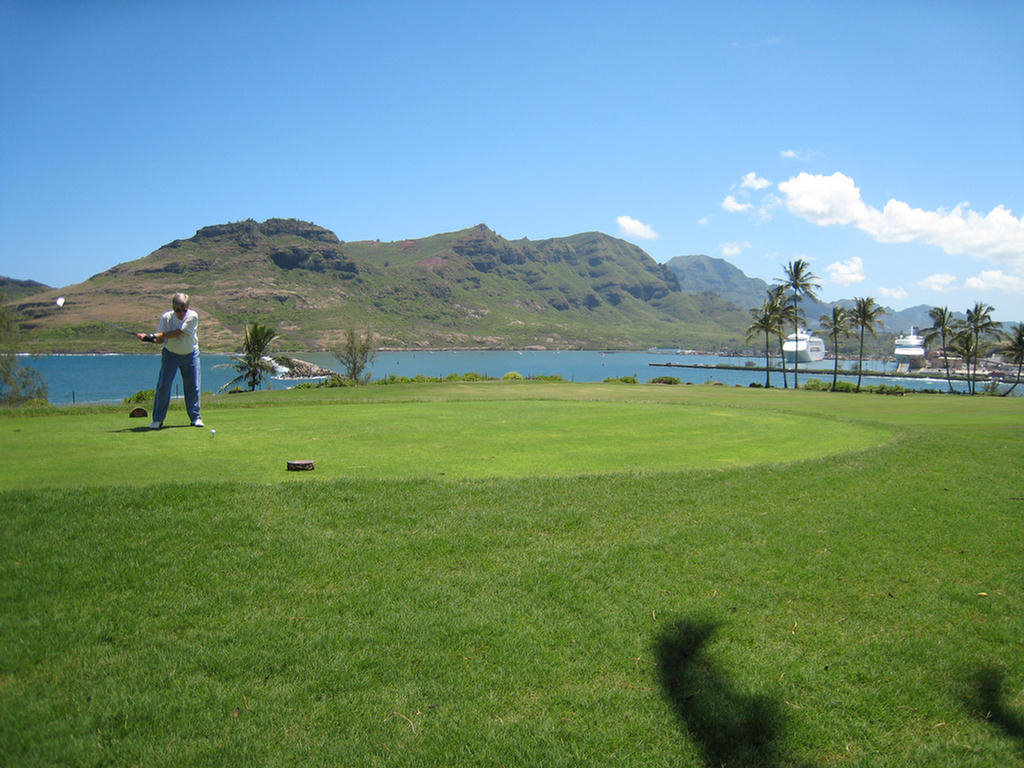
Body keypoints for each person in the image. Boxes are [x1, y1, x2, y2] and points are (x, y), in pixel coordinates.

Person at [137, 293, 203, 429]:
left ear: (188, 307)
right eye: (177, 310)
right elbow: (161, 339)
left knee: (193, 387)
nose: (181, 313)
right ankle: (158, 420)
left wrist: (154, 335)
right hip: (170, 354)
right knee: (164, 385)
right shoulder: (166, 318)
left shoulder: (192, 316)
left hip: (190, 354)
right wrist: (148, 339)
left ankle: (195, 418)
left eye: (184, 309)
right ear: (173, 308)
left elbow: (178, 332)